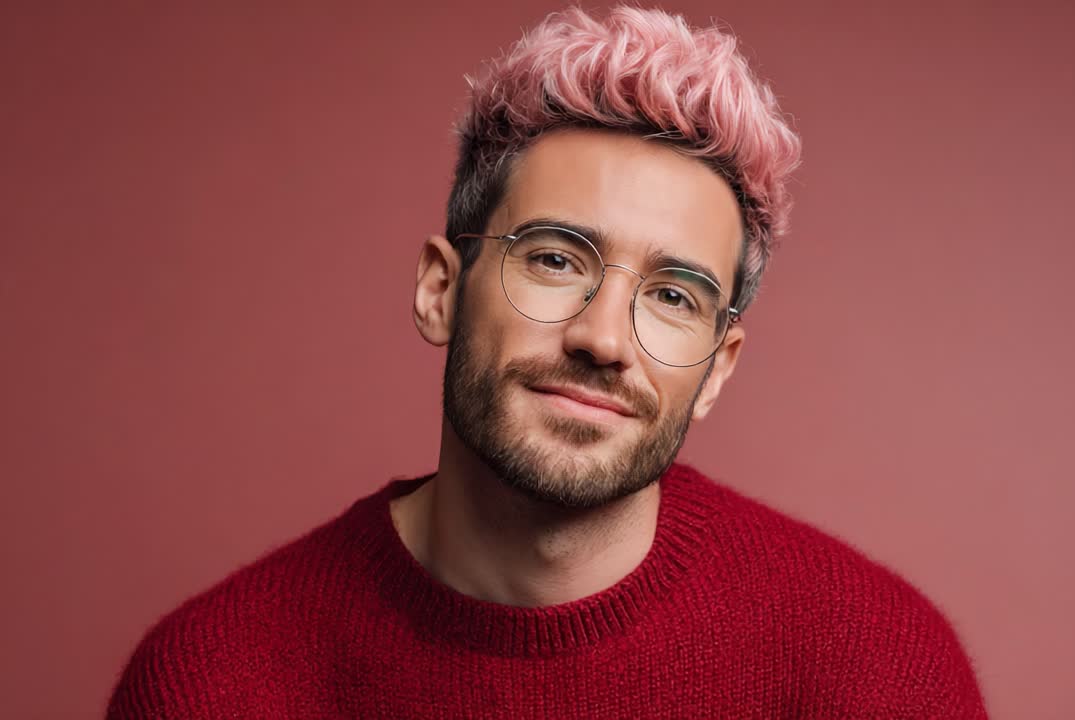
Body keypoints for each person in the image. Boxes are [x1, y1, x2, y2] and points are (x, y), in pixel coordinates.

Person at [108, 7, 987, 718]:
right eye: (556, 259)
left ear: (719, 369)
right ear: (441, 290)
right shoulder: (214, 684)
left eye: (673, 296)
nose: (603, 340)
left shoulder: (873, 672)